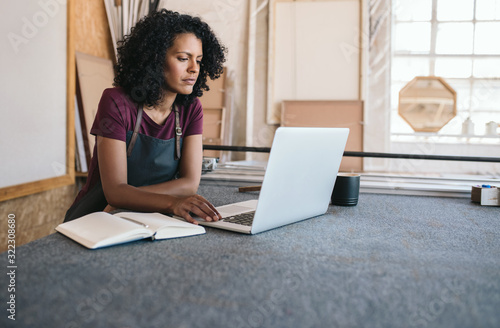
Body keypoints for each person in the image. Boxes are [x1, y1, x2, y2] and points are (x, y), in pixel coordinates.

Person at [65, 9, 226, 224]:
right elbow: (114, 192)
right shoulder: (116, 102)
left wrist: (128, 198)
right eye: (183, 58)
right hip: (98, 217)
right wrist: (171, 202)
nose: (194, 69)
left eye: (198, 60)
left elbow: (189, 184)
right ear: (155, 59)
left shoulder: (191, 109)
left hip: (150, 218)